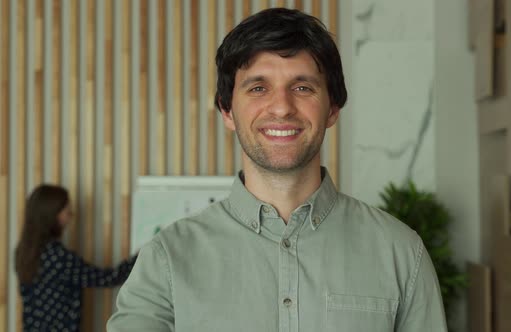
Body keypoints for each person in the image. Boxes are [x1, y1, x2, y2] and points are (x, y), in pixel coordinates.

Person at [108, 7, 446, 331]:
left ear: (332, 109)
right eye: (258, 88)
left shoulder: (400, 252)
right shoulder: (166, 259)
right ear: (227, 111)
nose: (282, 108)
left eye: (302, 87)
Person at [15, 184, 137, 331]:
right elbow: (108, 278)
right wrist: (142, 256)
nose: (71, 214)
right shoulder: (58, 257)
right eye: (66, 209)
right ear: (52, 213)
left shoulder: (23, 252)